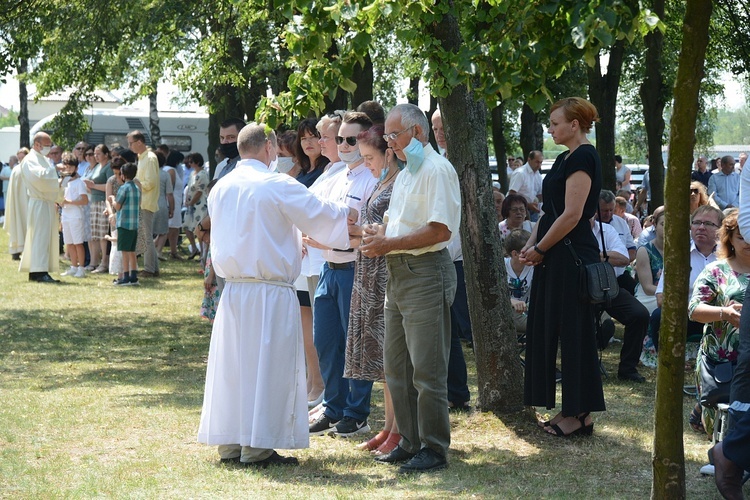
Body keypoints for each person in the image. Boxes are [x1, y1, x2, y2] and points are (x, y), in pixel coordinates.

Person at [197, 122, 357, 467]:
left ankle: (231, 442)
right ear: (269, 148)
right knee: (268, 368)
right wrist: (350, 215)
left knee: (235, 367)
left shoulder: (221, 187)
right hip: (269, 290)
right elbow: (319, 213)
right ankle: (259, 446)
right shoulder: (276, 183)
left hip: (235, 290)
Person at [360, 103, 461, 473]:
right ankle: (409, 440)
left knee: (427, 369)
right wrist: (378, 235)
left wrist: (388, 243)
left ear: (417, 132)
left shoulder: (437, 170)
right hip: (399, 273)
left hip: (425, 273)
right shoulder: (405, 173)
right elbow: (397, 226)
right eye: (387, 135)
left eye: (393, 135)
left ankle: (434, 448)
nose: (389, 142)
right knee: (396, 367)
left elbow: (440, 231)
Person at [519, 97, 603, 437]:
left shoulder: (584, 155)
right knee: (548, 328)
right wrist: (530, 244)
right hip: (554, 255)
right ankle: (566, 410)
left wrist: (541, 247)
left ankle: (579, 414)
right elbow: (551, 213)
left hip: (571, 258)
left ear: (575, 124)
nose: (550, 129)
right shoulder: (564, 158)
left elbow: (572, 214)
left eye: (555, 123)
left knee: (574, 334)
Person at [307, 111, 377, 439]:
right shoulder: (338, 177)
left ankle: (356, 412)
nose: (344, 145)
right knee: (326, 342)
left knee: (355, 343)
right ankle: (333, 407)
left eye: (351, 139)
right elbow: (326, 223)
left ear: (365, 139)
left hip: (354, 269)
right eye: (340, 139)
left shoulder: (372, 179)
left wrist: (334, 231)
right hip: (328, 269)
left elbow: (359, 231)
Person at [346, 125, 401, 455]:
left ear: (388, 153)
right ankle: (388, 425)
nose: (365, 163)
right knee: (382, 360)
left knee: (390, 356)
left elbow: (393, 228)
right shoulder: (382, 181)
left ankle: (397, 428)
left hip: (385, 273)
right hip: (368, 271)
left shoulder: (397, 183)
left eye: (369, 157)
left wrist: (364, 233)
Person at [688, 210, 749, 436]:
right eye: (741, 237)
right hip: (722, 361)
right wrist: (724, 312)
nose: (747, 242)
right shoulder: (716, 270)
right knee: (723, 431)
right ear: (729, 239)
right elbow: (693, 309)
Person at [19, 132, 62, 283]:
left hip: (46, 203)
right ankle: (38, 272)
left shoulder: (41, 158)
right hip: (39, 202)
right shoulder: (30, 159)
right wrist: (56, 170)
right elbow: (40, 178)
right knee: (40, 237)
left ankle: (39, 270)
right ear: (37, 144)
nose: (49, 148)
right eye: (47, 145)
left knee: (44, 237)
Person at [126, 130, 160, 278]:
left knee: (146, 238)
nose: (129, 146)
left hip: (146, 202)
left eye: (130, 143)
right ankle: (153, 268)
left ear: (139, 142)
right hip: (142, 202)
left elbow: (150, 182)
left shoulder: (150, 158)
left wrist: (136, 183)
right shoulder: (142, 158)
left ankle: (149, 269)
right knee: (146, 237)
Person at [82, 144, 113, 273]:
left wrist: (93, 186)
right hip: (94, 201)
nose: (95, 156)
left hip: (103, 202)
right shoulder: (96, 167)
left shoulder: (108, 167)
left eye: (98, 153)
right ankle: (95, 261)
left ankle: (104, 262)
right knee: (95, 234)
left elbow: (110, 184)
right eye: (95, 153)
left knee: (103, 234)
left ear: (106, 154)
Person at [111, 162, 141, 286]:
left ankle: (125, 276)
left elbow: (117, 206)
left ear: (123, 175)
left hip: (124, 224)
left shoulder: (123, 188)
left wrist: (112, 199)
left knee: (124, 251)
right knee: (132, 251)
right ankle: (133, 276)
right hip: (134, 224)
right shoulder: (137, 188)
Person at [59, 153, 89, 278]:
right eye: (67, 167)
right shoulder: (64, 181)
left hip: (76, 216)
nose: (69, 169)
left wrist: (69, 202)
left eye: (71, 167)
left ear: (76, 168)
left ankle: (81, 268)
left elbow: (84, 200)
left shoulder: (79, 182)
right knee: (69, 243)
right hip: (65, 215)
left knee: (78, 243)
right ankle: (73, 266)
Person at [634, 207, 664, 313]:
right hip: (650, 296)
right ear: (655, 225)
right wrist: (672, 295)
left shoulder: (681, 251)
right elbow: (647, 287)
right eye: (663, 224)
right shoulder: (645, 251)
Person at [505, 229, 534, 333]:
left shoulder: (534, 267)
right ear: (515, 254)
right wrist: (512, 302)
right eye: (527, 250)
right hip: (507, 310)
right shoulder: (501, 266)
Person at [183, 153, 209, 262]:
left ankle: (203, 253)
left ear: (197, 162)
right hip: (191, 205)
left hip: (199, 205)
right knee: (187, 226)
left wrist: (192, 202)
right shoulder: (193, 174)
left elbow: (199, 191)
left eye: (191, 161)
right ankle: (194, 248)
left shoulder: (202, 174)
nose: (189, 163)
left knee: (199, 228)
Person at [3, 155, 27, 260]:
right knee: (16, 223)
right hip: (18, 203)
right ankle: (16, 250)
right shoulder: (16, 170)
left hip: (28, 203)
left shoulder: (27, 169)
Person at [508, 150, 544, 222]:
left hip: (532, 210)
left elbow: (540, 194)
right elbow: (512, 194)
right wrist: (528, 205)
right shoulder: (520, 173)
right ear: (529, 160)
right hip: (517, 211)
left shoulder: (538, 175)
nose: (539, 165)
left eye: (541, 162)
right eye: (537, 162)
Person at [295, 118, 327, 187]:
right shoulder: (303, 171)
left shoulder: (327, 169)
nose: (308, 142)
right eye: (303, 138)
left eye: (313, 137)